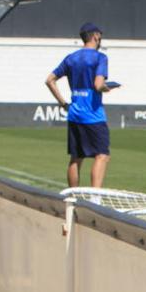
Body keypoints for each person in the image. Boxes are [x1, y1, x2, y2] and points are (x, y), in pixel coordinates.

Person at [44, 21, 115, 188]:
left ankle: (73, 197)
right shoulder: (100, 58)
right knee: (102, 155)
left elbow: (49, 80)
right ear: (96, 36)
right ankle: (95, 199)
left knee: (76, 157)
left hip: (74, 113)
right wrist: (107, 87)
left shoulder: (71, 58)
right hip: (93, 115)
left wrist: (63, 104)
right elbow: (98, 85)